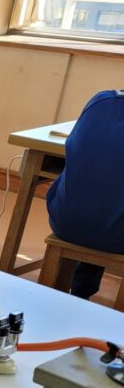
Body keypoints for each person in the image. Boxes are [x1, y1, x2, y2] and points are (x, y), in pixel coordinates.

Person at [46, 89, 124, 299]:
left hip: (65, 222)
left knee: (105, 192)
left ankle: (81, 291)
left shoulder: (101, 100)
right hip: (118, 238)